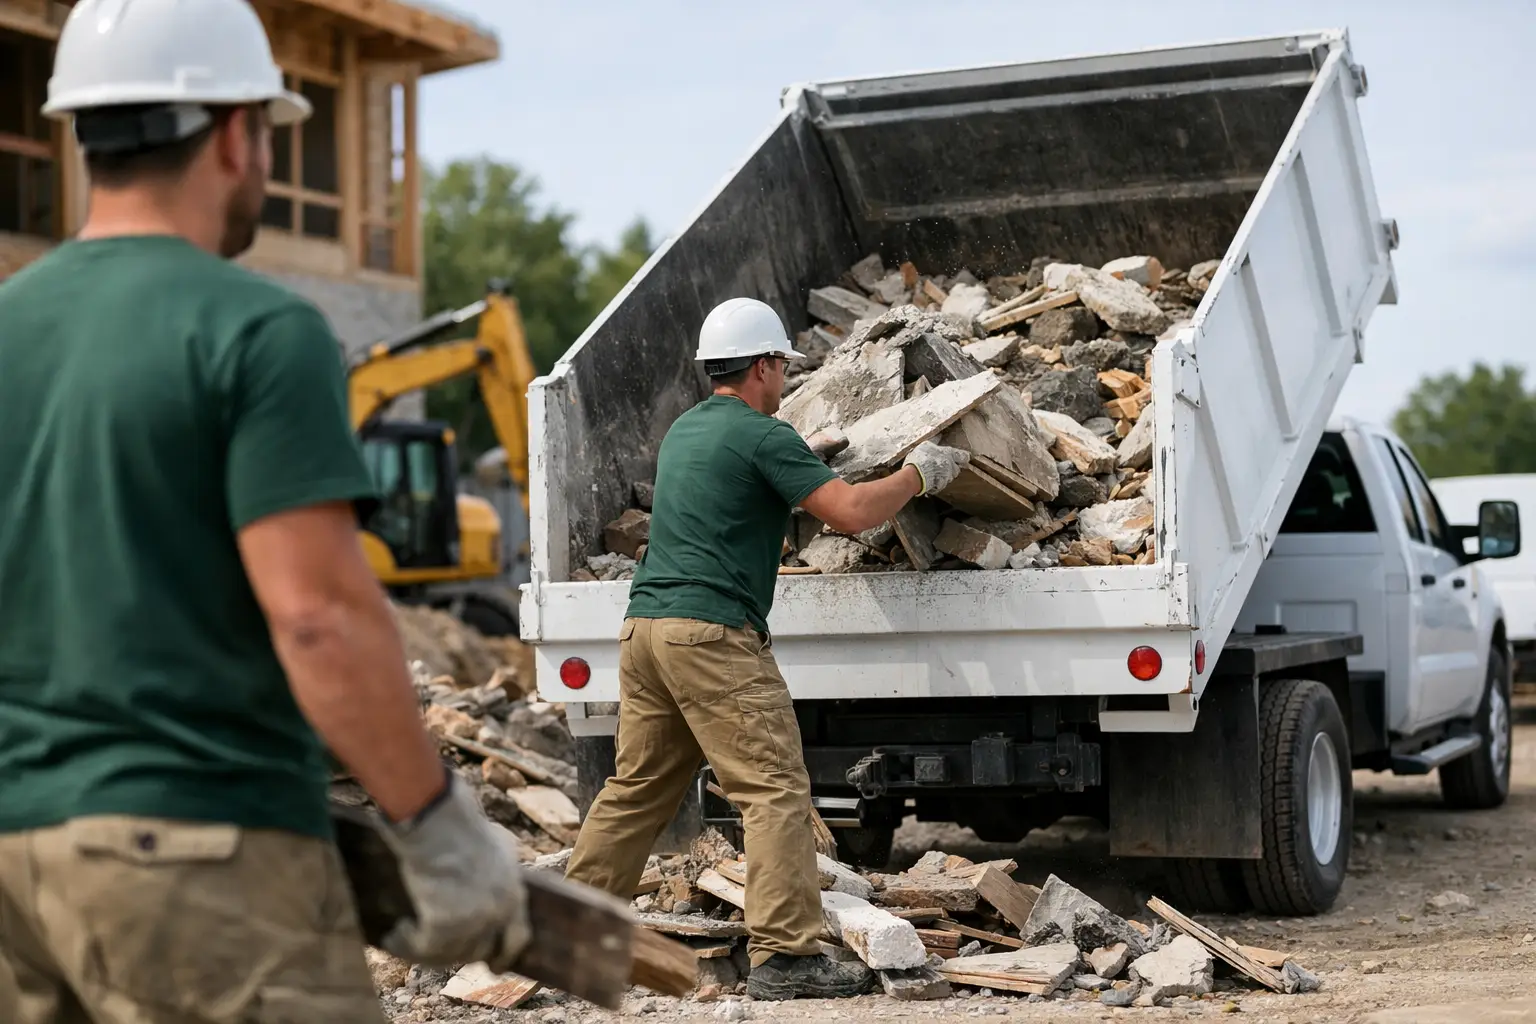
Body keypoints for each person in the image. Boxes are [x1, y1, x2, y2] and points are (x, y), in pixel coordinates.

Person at [0, 1, 528, 1020]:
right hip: (196, 859)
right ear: (239, 132)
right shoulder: (257, 329)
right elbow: (319, 614)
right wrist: (434, 823)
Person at [564, 297, 969, 1000]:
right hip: (712, 636)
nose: (784, 379)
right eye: (782, 365)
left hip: (646, 631)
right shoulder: (764, 436)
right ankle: (787, 956)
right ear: (762, 366)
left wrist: (796, 476)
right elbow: (849, 513)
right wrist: (919, 475)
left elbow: (731, 502)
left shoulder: (686, 433)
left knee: (634, 792)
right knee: (775, 791)